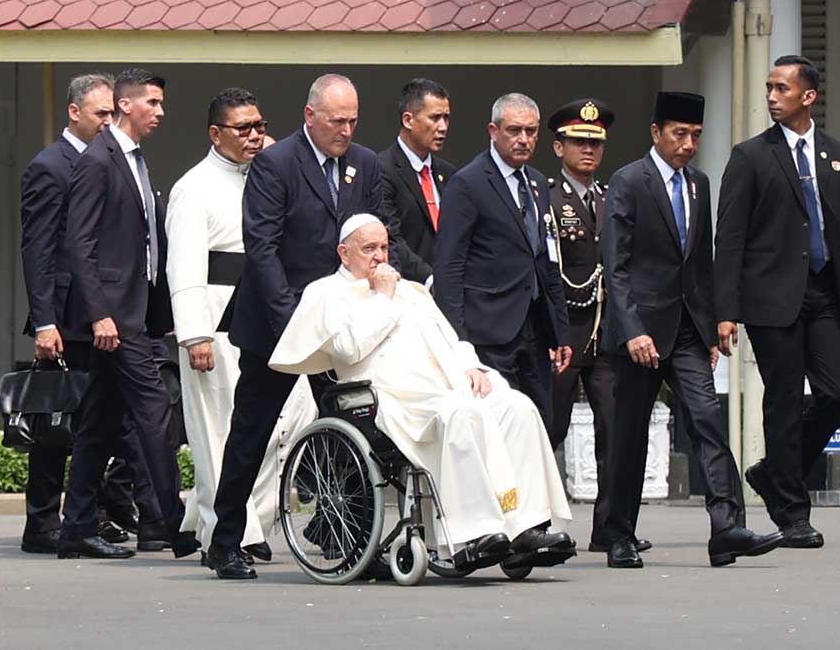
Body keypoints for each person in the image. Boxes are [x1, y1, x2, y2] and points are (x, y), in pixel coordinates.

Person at [271, 215, 575, 571]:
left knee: (517, 408)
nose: (379, 256)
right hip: (389, 398)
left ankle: (527, 527)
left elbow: (449, 337)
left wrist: (470, 366)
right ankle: (472, 535)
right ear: (344, 253)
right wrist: (381, 297)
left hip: (446, 384)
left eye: (384, 247)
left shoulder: (411, 290)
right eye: (369, 249)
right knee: (461, 414)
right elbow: (349, 349)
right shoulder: (325, 293)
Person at [208, 74, 400, 579]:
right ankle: (225, 539)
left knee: (354, 428)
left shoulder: (366, 164)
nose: (346, 129)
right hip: (280, 321)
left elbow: (378, 235)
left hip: (340, 325)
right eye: (337, 120)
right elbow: (263, 247)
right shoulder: (276, 163)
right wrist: (296, 320)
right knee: (252, 431)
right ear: (310, 116)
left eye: (353, 120)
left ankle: (358, 541)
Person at [600, 91, 783, 568]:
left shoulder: (700, 184)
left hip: (686, 330)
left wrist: (715, 323)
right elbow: (615, 266)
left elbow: (703, 263)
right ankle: (619, 534)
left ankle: (726, 527)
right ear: (656, 132)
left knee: (708, 421)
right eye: (678, 134)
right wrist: (631, 329)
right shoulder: (627, 182)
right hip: (639, 332)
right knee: (629, 437)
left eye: (695, 136)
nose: (687, 144)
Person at [715, 55, 840, 548]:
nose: (771, 96)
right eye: (768, 87)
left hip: (826, 292)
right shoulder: (750, 156)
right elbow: (731, 237)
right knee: (782, 401)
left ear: (808, 96)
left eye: (781, 89)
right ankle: (792, 514)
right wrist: (726, 310)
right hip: (771, 298)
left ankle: (772, 472)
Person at [165, 88, 316, 563]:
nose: (255, 135)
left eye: (259, 125)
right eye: (242, 128)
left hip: (263, 309)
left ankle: (249, 520)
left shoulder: (271, 174)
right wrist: (194, 333)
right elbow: (182, 264)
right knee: (217, 428)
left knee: (276, 426)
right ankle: (232, 531)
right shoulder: (194, 186)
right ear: (216, 133)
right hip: (214, 312)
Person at [19, 73, 162, 554]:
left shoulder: (117, 161)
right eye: (100, 114)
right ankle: (42, 523)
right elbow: (39, 250)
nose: (108, 122)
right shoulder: (50, 166)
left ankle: (93, 516)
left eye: (110, 113)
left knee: (100, 419)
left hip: (102, 311)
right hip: (66, 316)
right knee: (56, 421)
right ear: (74, 112)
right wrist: (44, 321)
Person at [61, 68, 197, 560]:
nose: (160, 112)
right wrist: (99, 314)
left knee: (97, 422)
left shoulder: (134, 160)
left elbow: (144, 246)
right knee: (156, 413)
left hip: (135, 313)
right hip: (115, 318)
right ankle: (172, 525)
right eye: (153, 103)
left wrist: (163, 313)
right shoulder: (100, 160)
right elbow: (79, 244)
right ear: (126, 105)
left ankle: (76, 527)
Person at [433, 93, 572, 433]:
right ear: (493, 131)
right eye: (514, 130)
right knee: (500, 427)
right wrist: (458, 340)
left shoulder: (538, 183)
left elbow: (545, 259)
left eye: (531, 131)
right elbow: (449, 267)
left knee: (543, 424)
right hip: (488, 330)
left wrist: (560, 330)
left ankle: (530, 489)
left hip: (534, 326)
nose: (523, 139)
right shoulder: (468, 183)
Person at [544, 99, 640, 555]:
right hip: (564, 330)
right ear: (558, 146)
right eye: (579, 142)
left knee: (615, 429)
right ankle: (535, 523)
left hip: (605, 332)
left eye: (595, 144)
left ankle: (610, 527)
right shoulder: (547, 196)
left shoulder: (609, 197)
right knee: (550, 428)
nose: (588, 151)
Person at [378, 78, 455, 284]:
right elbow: (391, 238)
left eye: (446, 118)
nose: (443, 127)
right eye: (435, 118)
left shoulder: (449, 174)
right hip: (408, 288)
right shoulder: (382, 169)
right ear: (408, 120)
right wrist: (430, 279)